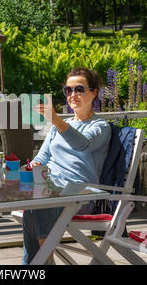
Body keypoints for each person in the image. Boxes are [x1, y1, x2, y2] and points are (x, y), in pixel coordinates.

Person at [22, 67, 111, 265]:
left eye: (79, 89)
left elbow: (82, 144)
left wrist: (55, 119)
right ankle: (36, 264)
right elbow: (42, 157)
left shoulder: (100, 127)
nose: (72, 95)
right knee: (32, 204)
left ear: (94, 92)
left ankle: (43, 262)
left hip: (82, 194)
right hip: (52, 188)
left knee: (40, 200)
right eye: (68, 90)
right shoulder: (58, 127)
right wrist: (34, 165)